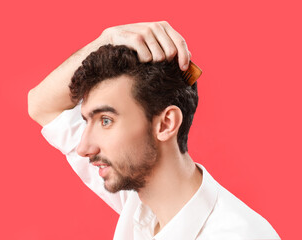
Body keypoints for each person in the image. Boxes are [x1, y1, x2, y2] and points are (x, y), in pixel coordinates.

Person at [28, 21, 280, 240]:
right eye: (87, 121)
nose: (84, 148)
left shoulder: (242, 235)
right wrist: (107, 40)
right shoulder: (139, 202)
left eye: (105, 121)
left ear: (166, 124)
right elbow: (40, 105)